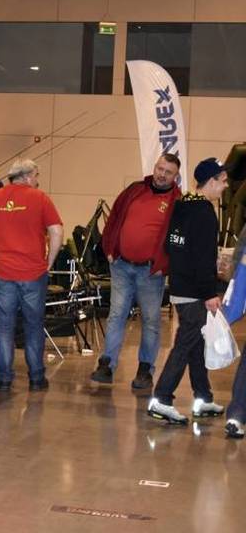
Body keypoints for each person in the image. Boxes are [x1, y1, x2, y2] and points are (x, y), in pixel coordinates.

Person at [0, 159, 63, 391]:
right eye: (36, 175)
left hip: (3, 273)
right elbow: (57, 231)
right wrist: (49, 261)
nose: (37, 180)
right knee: (33, 325)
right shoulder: (40, 198)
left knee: (4, 326)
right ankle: (36, 378)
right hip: (33, 274)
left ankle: (3, 379)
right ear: (28, 176)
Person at [147, 158, 228, 425]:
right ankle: (161, 399)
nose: (225, 186)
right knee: (184, 344)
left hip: (180, 285)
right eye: (223, 181)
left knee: (195, 343)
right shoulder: (204, 213)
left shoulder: (182, 206)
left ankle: (203, 397)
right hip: (195, 291)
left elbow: (171, 246)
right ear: (211, 181)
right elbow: (203, 258)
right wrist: (210, 293)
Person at [91, 153, 182, 389]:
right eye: (160, 168)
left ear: (175, 176)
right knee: (116, 315)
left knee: (151, 321)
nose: (162, 174)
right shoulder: (134, 190)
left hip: (151, 272)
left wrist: (164, 266)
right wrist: (109, 249)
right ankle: (106, 365)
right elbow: (113, 218)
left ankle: (145, 370)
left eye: (168, 172)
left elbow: (178, 238)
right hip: (121, 266)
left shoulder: (177, 201)